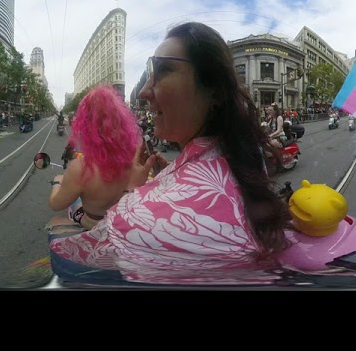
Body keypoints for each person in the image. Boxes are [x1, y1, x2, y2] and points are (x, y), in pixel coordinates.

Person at [47, 22, 291, 286]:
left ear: (214, 90)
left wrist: (133, 194)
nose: (143, 92)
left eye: (162, 71)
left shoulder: (139, 216)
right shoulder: (246, 156)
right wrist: (168, 177)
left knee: (55, 226)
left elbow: (71, 257)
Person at [47, 85, 141, 230]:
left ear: (85, 123)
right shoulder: (135, 159)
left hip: (93, 226)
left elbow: (55, 204)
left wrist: (57, 183)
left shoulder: (80, 168)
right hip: (121, 224)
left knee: (60, 217)